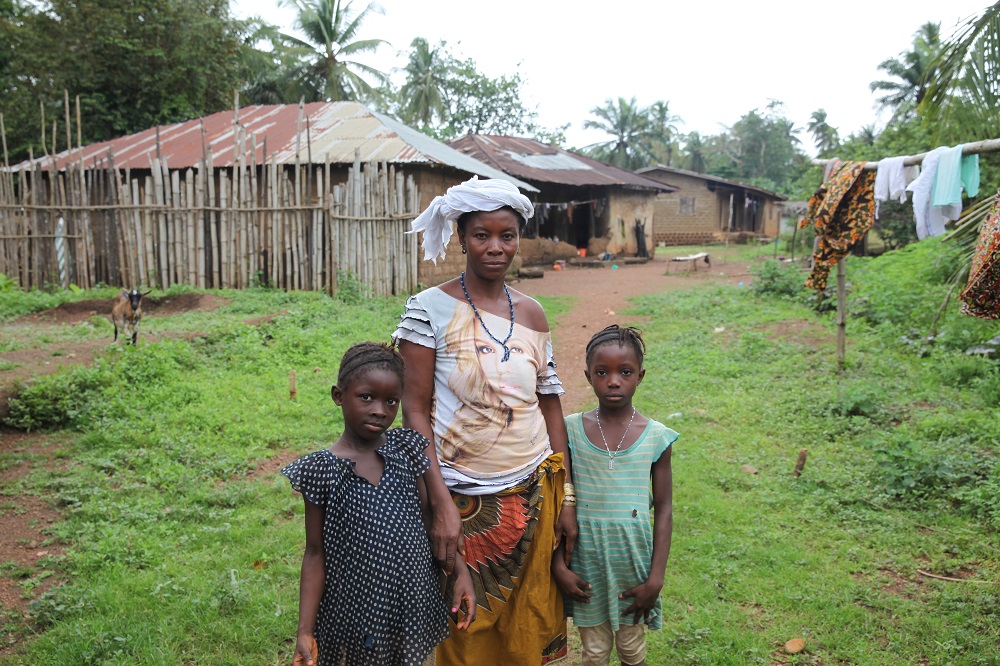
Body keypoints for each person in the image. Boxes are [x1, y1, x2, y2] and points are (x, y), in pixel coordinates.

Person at [394, 177, 577, 664]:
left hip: (535, 493)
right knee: (464, 629)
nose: (496, 248)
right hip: (461, 497)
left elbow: (550, 404)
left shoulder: (534, 315)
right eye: (482, 235)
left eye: (507, 235)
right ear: (461, 237)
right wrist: (441, 504)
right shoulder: (428, 310)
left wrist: (568, 497)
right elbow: (414, 412)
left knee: (529, 626)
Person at [281, 342, 476, 666]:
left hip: (411, 603)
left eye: (391, 401)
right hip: (355, 612)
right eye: (366, 397)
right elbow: (315, 552)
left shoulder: (406, 449)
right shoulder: (321, 470)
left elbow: (431, 519)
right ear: (339, 396)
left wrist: (460, 572)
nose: (379, 410)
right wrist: (305, 630)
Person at [553, 325, 676, 666]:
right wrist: (557, 567)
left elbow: (664, 509)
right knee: (593, 652)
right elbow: (554, 504)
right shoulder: (570, 430)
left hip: (633, 568)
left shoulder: (656, 437)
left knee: (632, 650)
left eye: (625, 372)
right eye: (602, 372)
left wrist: (656, 578)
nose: (613, 381)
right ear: (588, 375)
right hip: (585, 569)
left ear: (640, 375)